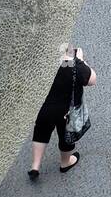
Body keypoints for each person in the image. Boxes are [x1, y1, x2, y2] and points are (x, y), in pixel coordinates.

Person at [28, 46, 96, 180]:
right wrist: (81, 61)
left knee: (41, 132)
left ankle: (35, 166)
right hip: (66, 112)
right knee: (66, 138)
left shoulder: (48, 63)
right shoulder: (76, 67)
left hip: (46, 107)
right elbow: (92, 80)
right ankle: (65, 163)